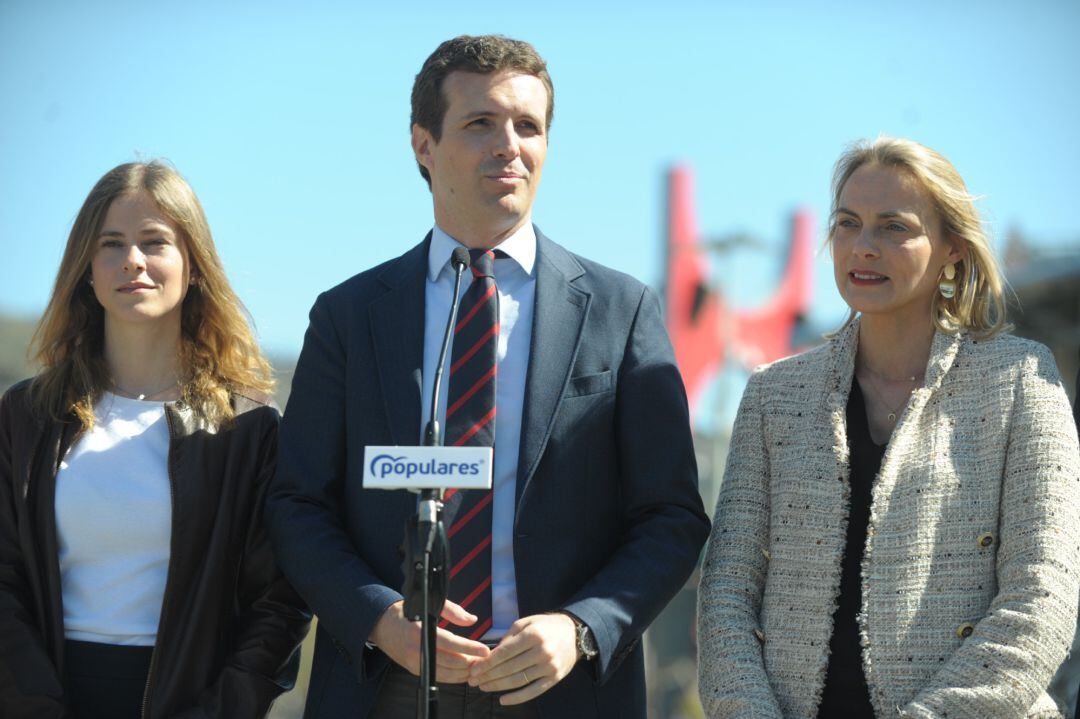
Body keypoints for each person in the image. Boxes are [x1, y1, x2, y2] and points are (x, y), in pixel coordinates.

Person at [266, 34, 710, 718]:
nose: (510, 145)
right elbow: (297, 504)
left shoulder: (622, 312)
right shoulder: (349, 317)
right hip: (385, 687)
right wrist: (382, 618)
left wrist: (583, 626)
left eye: (528, 126)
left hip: (561, 690)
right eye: (481, 123)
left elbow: (671, 516)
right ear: (423, 145)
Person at [697, 136, 1080, 718]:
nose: (863, 247)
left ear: (952, 246)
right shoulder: (775, 394)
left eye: (893, 227)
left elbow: (1042, 600)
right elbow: (726, 596)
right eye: (847, 224)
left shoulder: (1021, 381)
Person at [0, 161, 310, 719]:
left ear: (192, 267)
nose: (133, 261)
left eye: (154, 242)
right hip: (42, 697)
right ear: (86, 270)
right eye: (111, 244)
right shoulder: (26, 414)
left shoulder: (247, 429)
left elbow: (277, 604)